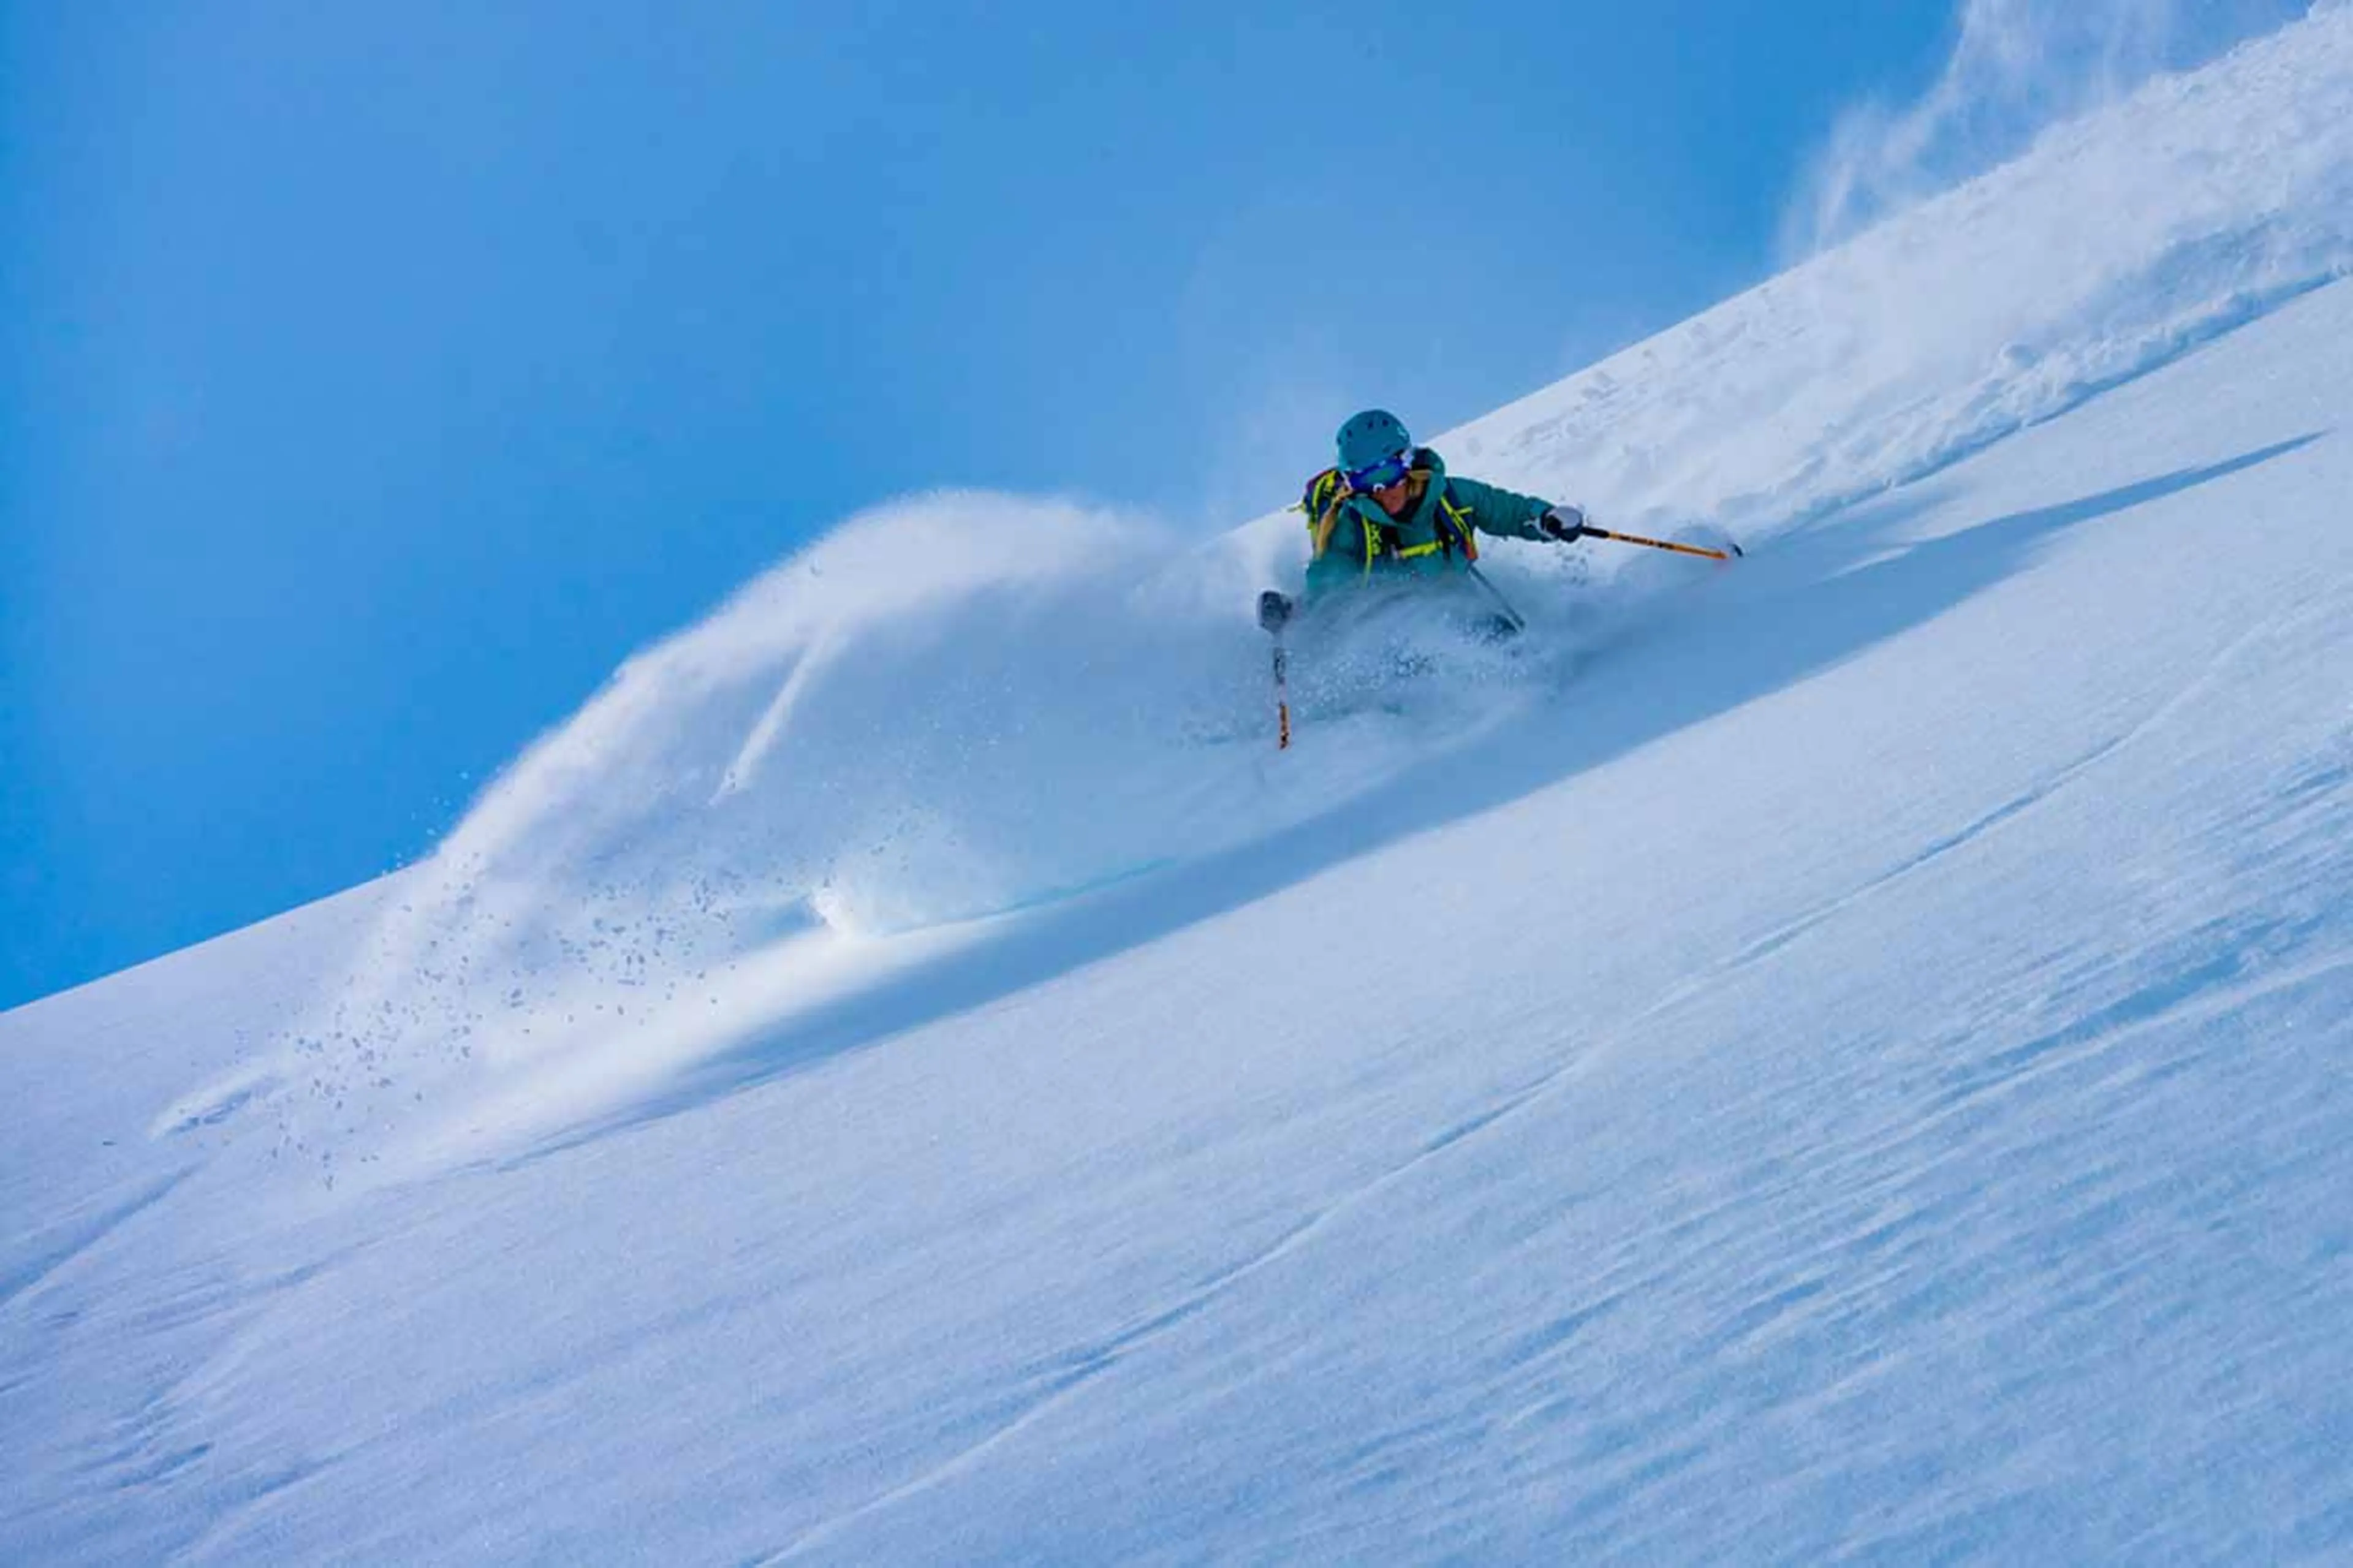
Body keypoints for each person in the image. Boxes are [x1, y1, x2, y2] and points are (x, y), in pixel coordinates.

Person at [1257, 409, 1593, 635]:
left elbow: (1506, 510)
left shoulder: (1451, 496)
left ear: (1407, 463)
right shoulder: (1351, 526)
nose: (1380, 491)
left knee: (1498, 635)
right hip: (1392, 627)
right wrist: (1294, 613)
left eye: (1387, 474)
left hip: (1461, 603)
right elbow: (1329, 584)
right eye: (1365, 481)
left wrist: (1546, 518)